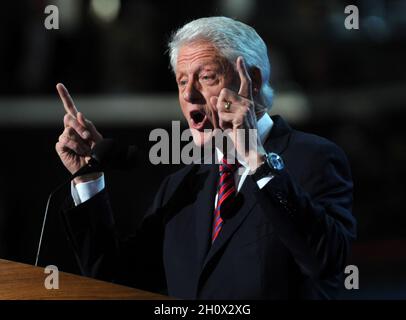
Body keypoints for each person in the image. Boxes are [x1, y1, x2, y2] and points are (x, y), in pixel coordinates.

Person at [55, 16, 356, 299]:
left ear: (250, 80)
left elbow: (326, 261)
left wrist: (255, 158)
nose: (188, 95)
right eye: (182, 81)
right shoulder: (182, 186)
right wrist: (87, 178)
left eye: (206, 77)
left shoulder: (314, 158)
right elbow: (115, 280)